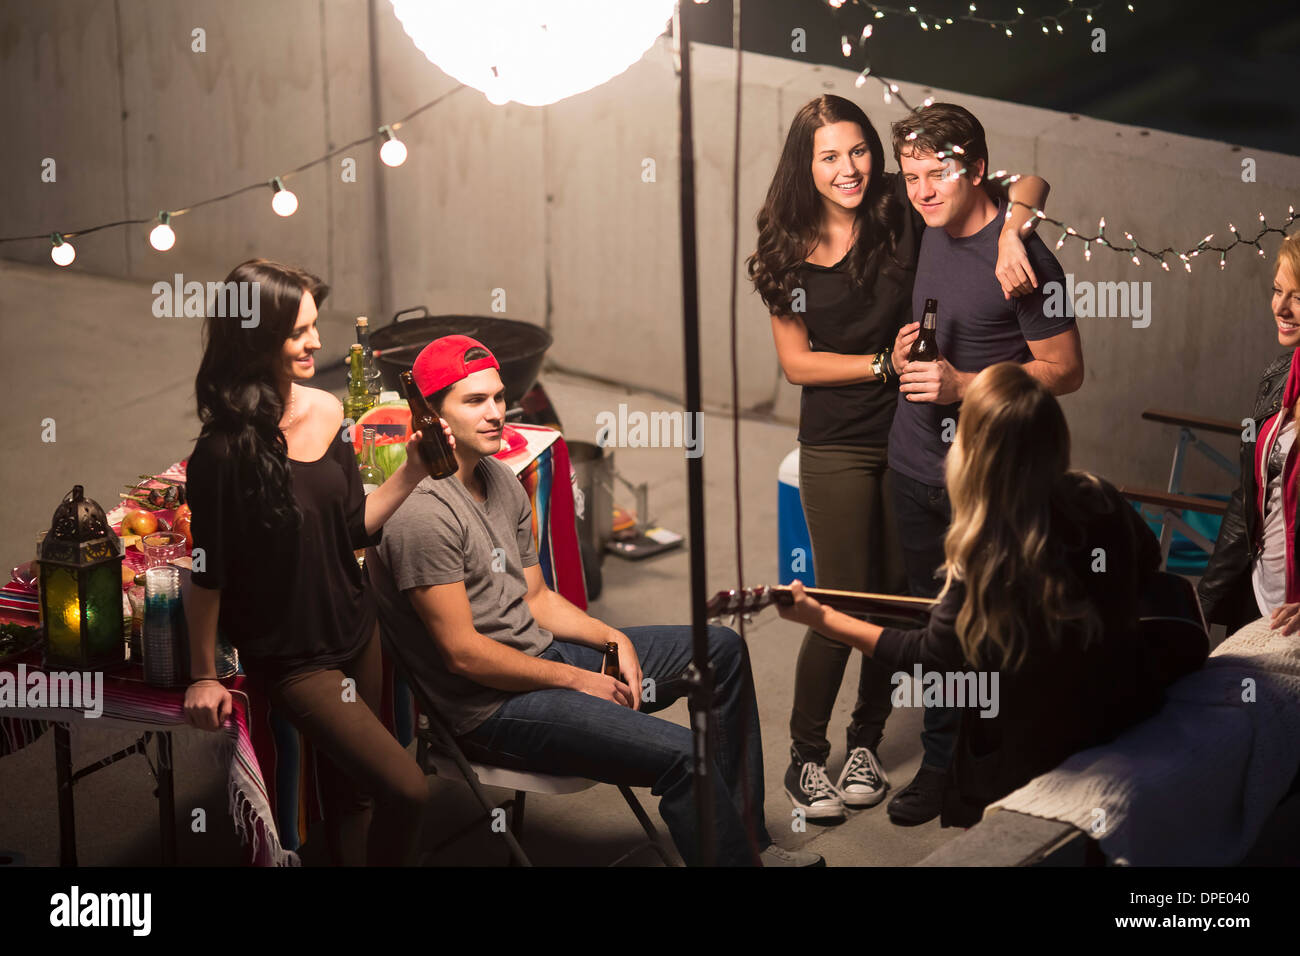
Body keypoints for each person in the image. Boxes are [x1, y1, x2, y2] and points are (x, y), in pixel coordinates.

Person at [366, 335, 820, 866]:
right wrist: (580, 681)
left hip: (542, 660)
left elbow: (534, 597)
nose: (495, 414)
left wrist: (613, 636)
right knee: (682, 755)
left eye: (497, 397)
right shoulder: (421, 515)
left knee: (719, 650)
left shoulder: (500, 478)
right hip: (488, 709)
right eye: (473, 402)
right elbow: (462, 653)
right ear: (430, 416)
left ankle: (748, 848)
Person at [746, 93, 1051, 823]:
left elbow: (1028, 182)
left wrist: (1015, 231)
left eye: (858, 151)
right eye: (828, 157)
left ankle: (864, 741)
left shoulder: (900, 205)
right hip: (841, 442)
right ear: (804, 164)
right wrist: (883, 363)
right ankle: (804, 755)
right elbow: (797, 364)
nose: (848, 168)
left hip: (920, 436)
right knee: (843, 596)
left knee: (895, 596)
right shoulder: (784, 247)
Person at [777, 362, 1184, 826]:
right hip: (1122, 709)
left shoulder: (988, 552)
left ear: (973, 451)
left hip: (1036, 753)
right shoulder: (1099, 495)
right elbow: (1147, 561)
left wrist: (820, 617)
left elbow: (928, 655)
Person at [182, 258, 446, 866]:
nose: (317, 341)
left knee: (354, 800)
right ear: (255, 337)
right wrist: (203, 674)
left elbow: (351, 527)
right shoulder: (222, 455)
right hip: (298, 660)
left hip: (358, 629)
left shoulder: (328, 411)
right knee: (406, 789)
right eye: (299, 330)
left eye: (314, 325)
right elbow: (207, 571)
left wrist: (412, 470)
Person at [883, 102, 1084, 825]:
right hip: (912, 463)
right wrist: (908, 357)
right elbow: (1031, 181)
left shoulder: (1027, 255)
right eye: (911, 177)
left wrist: (966, 386)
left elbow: (1064, 370)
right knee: (935, 629)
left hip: (988, 479)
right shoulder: (931, 223)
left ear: (973, 168)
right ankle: (939, 766)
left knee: (993, 626)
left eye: (937, 175)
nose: (922, 191)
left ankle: (992, 775)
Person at [1200, 234, 1300, 635]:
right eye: (1278, 291)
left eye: (1298, 296)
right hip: (1257, 600)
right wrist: (1205, 599)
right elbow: (1249, 494)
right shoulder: (1278, 374)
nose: (1280, 307)